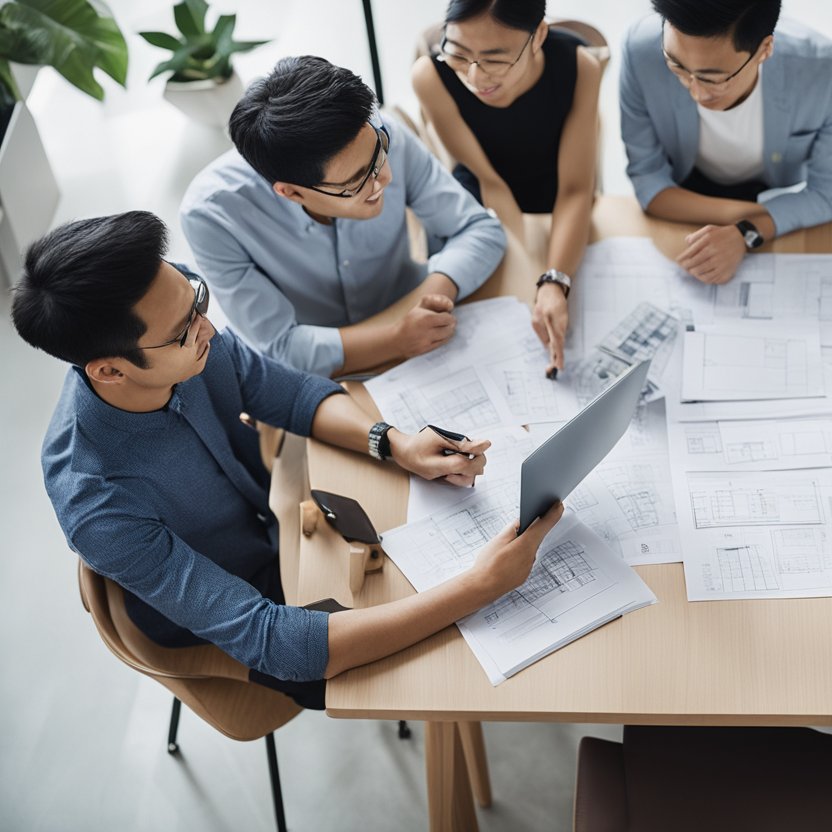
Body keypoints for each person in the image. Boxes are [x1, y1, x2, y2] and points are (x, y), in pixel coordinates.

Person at [14, 212, 563, 707]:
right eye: (185, 330)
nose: (207, 326)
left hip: (283, 522)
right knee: (453, 668)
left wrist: (392, 442)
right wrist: (480, 586)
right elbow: (277, 645)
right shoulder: (97, 500)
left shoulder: (174, 319)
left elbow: (286, 393)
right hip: (233, 603)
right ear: (111, 370)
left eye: (196, 295)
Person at [181, 56, 507, 378]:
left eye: (380, 154)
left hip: (421, 321)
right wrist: (395, 338)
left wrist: (435, 294)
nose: (386, 178)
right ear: (291, 193)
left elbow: (479, 229)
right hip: (325, 373)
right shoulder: (212, 214)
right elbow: (281, 346)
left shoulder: (378, 134)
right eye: (358, 181)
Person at [412, 0, 603, 375]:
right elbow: (491, 182)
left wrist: (553, 280)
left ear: (539, 36)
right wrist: (530, 280)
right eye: (459, 53)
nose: (475, 76)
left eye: (495, 59)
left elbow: (577, 189)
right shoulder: (430, 76)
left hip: (557, 189)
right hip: (481, 198)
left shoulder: (580, 66)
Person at [619, 0, 832, 285]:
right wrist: (751, 218)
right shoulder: (640, 51)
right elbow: (649, 183)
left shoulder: (827, 73)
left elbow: (830, 194)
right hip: (690, 193)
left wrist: (746, 233)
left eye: (713, 79)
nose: (695, 92)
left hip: (778, 189)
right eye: (677, 67)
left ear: (765, 49)